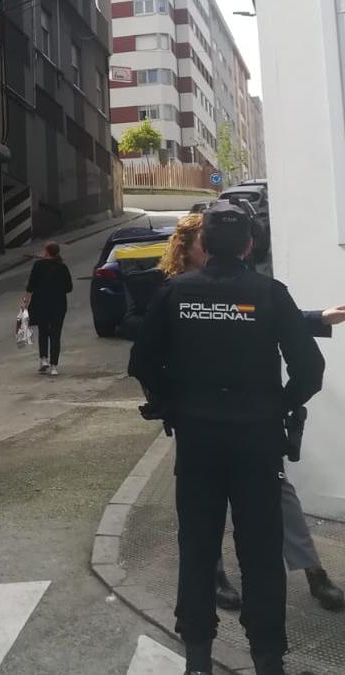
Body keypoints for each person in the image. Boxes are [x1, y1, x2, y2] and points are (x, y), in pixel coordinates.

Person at [129, 202, 326, 675]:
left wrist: (169, 401)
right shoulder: (269, 293)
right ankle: (268, 659)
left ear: (203, 245)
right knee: (260, 553)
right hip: (257, 443)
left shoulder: (176, 292)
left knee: (197, 547)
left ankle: (198, 658)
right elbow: (310, 371)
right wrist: (277, 406)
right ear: (250, 244)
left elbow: (141, 361)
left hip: (198, 442)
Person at [21, 242, 72, 376]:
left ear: (47, 252)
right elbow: (69, 288)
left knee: (43, 331)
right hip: (59, 305)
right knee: (56, 333)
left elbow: (30, 285)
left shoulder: (38, 266)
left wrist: (25, 303)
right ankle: (54, 366)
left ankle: (44, 359)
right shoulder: (62, 267)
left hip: (41, 303)